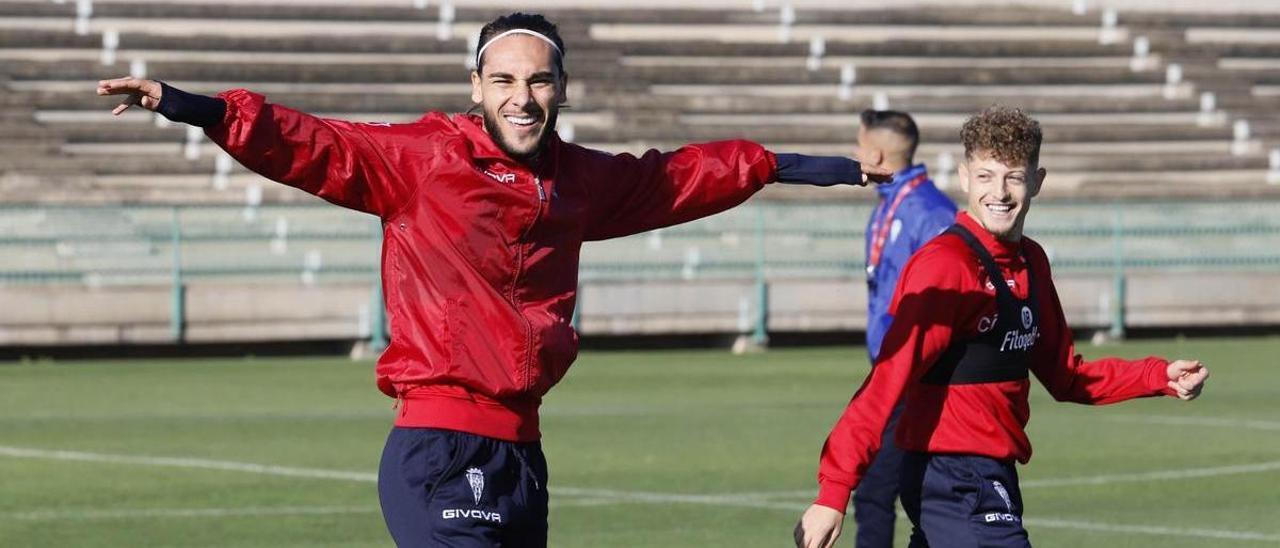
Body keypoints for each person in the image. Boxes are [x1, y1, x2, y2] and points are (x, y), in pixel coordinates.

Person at [96, 13, 891, 548]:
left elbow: (677, 176)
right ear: (476, 87)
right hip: (438, 447)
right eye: (505, 80)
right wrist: (191, 106)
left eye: (539, 81)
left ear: (561, 91)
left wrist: (786, 165)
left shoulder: (579, 182)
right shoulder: (420, 162)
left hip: (525, 456)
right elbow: (307, 143)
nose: (523, 96)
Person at [794, 106, 1210, 548]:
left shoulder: (1032, 260)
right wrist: (834, 491)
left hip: (994, 472)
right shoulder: (946, 266)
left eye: (1013, 176)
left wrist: (1156, 376)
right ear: (965, 177)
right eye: (987, 176)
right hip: (953, 476)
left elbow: (1066, 376)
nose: (1000, 192)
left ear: (1037, 181)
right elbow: (885, 382)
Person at [853, 109, 956, 548]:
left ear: (875, 152)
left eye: (857, 147)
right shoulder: (889, 206)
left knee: (879, 489)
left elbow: (951, 298)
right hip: (888, 370)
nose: (854, 155)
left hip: (915, 373)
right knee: (894, 488)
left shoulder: (931, 213)